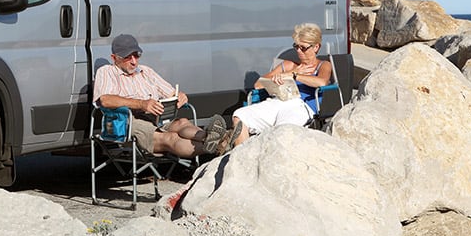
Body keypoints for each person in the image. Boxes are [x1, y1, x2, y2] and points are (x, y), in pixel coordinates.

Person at [93, 34, 226, 157]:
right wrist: (142, 104)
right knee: (171, 138)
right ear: (114, 58)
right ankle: (221, 145)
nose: (134, 61)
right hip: (128, 121)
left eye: (136, 55)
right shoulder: (107, 72)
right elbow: (105, 100)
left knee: (182, 122)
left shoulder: (146, 71)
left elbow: (170, 92)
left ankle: (212, 138)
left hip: (156, 117)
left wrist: (180, 96)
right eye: (128, 57)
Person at [222, 23, 333, 153]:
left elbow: (322, 82)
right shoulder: (288, 65)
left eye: (303, 48)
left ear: (316, 47)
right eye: (296, 47)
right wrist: (288, 73)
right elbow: (258, 84)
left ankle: (229, 144)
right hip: (277, 101)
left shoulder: (323, 65)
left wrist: (296, 76)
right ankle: (243, 157)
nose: (298, 51)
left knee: (281, 131)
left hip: (301, 106)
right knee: (239, 116)